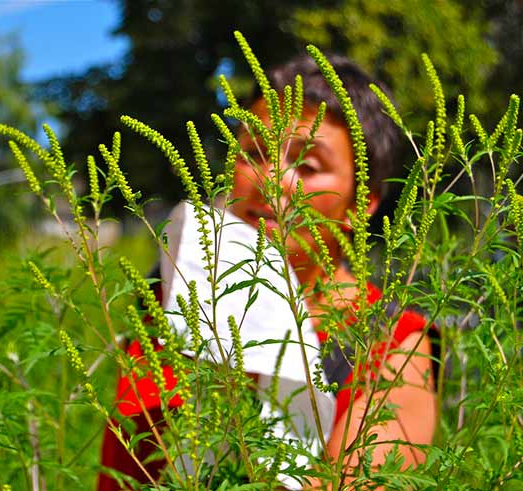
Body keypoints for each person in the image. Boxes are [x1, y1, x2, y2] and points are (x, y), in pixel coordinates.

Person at [98, 54, 437, 490]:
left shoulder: (391, 345)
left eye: (308, 165)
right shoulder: (172, 301)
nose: (270, 177)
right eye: (252, 152)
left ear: (361, 204)